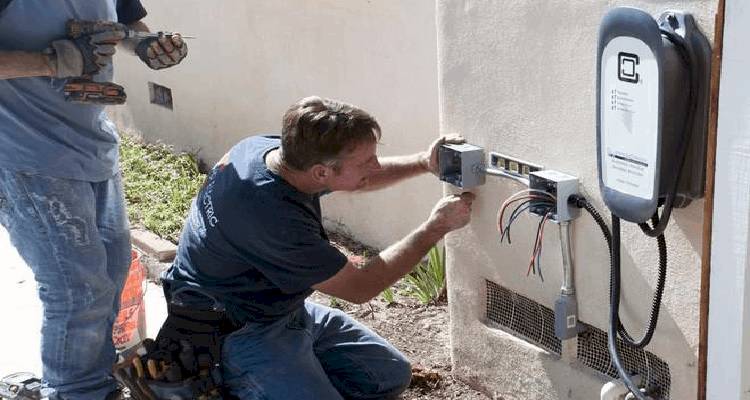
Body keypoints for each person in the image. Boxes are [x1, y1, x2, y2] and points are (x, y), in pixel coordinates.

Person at [163, 96, 475, 399]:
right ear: (321, 173)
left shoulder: (269, 152)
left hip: (279, 307)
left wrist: (423, 162)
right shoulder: (274, 219)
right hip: (237, 328)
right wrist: (437, 227)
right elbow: (361, 286)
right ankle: (231, 380)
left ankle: (295, 363)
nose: (376, 165)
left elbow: (356, 178)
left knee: (388, 377)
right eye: (367, 160)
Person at [0, 1, 188, 399]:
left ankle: (93, 381)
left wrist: (145, 43)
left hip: (91, 144)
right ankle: (77, 392)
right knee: (76, 288)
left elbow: (124, 19)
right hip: (24, 153)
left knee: (111, 272)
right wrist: (52, 62)